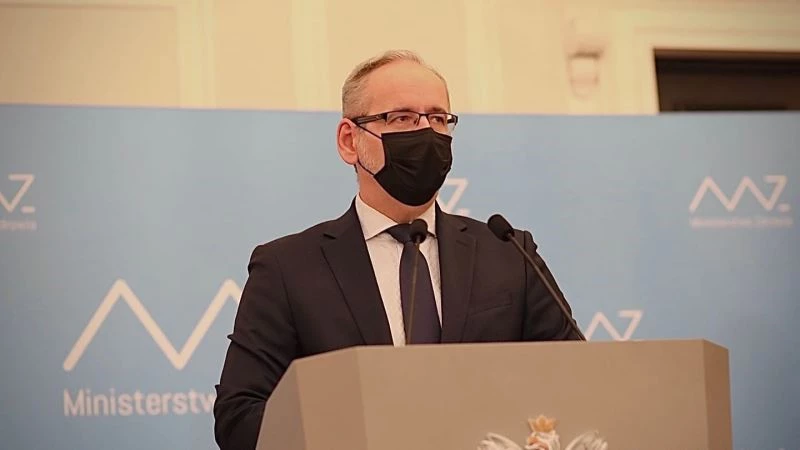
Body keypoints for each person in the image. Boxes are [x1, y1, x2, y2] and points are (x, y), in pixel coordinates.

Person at [212, 49, 582, 450]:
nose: (426, 133)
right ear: (350, 141)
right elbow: (240, 418)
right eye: (401, 118)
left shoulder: (508, 252)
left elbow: (578, 381)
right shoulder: (288, 269)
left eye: (438, 118)